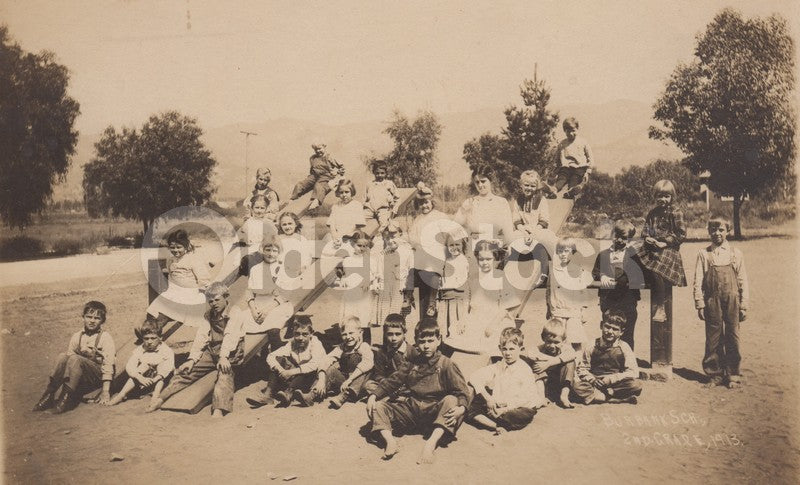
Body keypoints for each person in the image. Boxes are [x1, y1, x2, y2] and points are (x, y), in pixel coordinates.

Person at [366, 318, 471, 464]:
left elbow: (462, 391)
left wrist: (461, 409)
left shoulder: (446, 363)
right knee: (378, 406)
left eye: (430, 341)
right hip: (413, 409)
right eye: (422, 342)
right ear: (416, 341)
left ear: (439, 340)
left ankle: (430, 444)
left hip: (434, 411)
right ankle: (390, 441)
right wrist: (373, 395)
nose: (426, 346)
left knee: (451, 400)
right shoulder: (412, 361)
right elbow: (393, 381)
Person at [148, 282, 245, 417]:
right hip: (213, 349)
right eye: (210, 301)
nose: (214, 304)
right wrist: (192, 359)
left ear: (226, 296)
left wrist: (224, 357)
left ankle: (219, 408)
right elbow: (202, 336)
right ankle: (161, 398)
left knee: (224, 374)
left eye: (217, 300)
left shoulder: (235, 312)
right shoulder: (209, 315)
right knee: (186, 371)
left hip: (231, 351)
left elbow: (230, 335)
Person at [693, 216, 750, 388]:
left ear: (728, 231)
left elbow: (743, 279)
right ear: (708, 231)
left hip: (732, 299)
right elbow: (698, 280)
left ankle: (733, 374)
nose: (717, 233)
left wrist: (744, 304)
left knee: (732, 335)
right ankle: (715, 374)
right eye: (713, 230)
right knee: (713, 337)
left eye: (721, 230)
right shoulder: (704, 254)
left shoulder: (735, 253)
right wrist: (699, 303)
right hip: (712, 300)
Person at [32, 301, 116, 413]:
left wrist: (105, 391)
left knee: (76, 358)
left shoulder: (105, 338)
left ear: (102, 320)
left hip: (97, 378)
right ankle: (49, 395)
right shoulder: (77, 336)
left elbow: (109, 365)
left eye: (97, 318)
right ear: (83, 317)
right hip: (80, 377)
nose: (92, 321)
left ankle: (65, 401)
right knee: (63, 357)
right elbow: (67, 364)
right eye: (89, 317)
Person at [446, 240, 520, 354]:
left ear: (494, 258)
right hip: (476, 317)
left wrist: (493, 324)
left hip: (495, 317)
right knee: (458, 331)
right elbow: (467, 301)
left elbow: (507, 307)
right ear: (477, 259)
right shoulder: (473, 278)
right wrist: (463, 319)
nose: (485, 262)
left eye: (488, 259)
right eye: (481, 259)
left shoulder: (500, 277)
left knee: (494, 336)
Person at [467, 328, 544, 434]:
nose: (507, 353)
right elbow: (474, 377)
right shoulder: (499, 365)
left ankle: (495, 421)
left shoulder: (524, 370)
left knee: (516, 416)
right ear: (500, 348)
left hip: (519, 406)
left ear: (521, 349)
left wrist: (505, 409)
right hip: (498, 405)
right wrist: (488, 399)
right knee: (471, 407)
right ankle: (496, 426)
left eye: (512, 349)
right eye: (504, 349)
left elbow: (526, 399)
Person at [634, 179, 687, 323]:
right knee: (632, 255)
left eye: (666, 196)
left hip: (668, 249)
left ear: (672, 197)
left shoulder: (676, 213)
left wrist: (665, 242)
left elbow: (681, 234)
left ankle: (660, 307)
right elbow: (646, 230)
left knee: (657, 266)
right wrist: (647, 238)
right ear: (655, 196)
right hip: (653, 246)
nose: (662, 199)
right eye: (659, 196)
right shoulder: (653, 213)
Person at [246, 315, 327, 408]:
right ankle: (268, 395)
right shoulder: (292, 343)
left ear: (311, 333)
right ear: (293, 333)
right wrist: (281, 370)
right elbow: (271, 356)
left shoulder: (315, 343)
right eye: (297, 334)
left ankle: (289, 393)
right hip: (293, 377)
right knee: (279, 360)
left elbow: (314, 364)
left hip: (309, 380)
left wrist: (290, 372)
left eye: (305, 334)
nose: (300, 338)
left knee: (307, 368)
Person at [592, 220, 644, 349]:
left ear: (629, 239)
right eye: (617, 236)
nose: (619, 240)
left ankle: (627, 358)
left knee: (627, 333)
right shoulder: (603, 254)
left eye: (624, 238)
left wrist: (620, 281)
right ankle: (608, 356)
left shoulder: (633, 255)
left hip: (627, 300)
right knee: (609, 331)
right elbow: (595, 272)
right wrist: (602, 276)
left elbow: (636, 274)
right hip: (608, 299)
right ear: (612, 234)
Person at [572, 310, 642, 405]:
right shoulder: (591, 345)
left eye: (615, 329)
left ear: (621, 332)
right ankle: (615, 399)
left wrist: (611, 379)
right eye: (607, 327)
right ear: (601, 325)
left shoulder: (624, 347)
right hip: (595, 382)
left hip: (615, 383)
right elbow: (582, 368)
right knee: (576, 386)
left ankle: (602, 396)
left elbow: (633, 372)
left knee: (636, 385)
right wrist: (593, 380)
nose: (610, 332)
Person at [145, 229, 210, 331]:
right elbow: (171, 274)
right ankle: (148, 328)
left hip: (189, 293)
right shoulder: (171, 260)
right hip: (174, 291)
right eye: (172, 247)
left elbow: (204, 278)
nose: (175, 250)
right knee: (154, 309)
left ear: (186, 246)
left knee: (168, 310)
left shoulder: (193, 259)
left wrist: (203, 293)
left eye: (179, 247)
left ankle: (154, 330)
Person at [241, 235, 296, 352]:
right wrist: (253, 310)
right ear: (262, 250)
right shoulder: (255, 269)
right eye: (268, 250)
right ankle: (254, 354)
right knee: (239, 321)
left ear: (279, 252)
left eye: (274, 251)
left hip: (276, 305)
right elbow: (250, 292)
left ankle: (277, 353)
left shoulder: (283, 268)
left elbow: (285, 294)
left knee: (273, 327)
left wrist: (267, 311)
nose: (271, 254)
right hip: (258, 306)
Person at [407, 182, 450, 320]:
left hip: (436, 255)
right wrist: (418, 245)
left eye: (427, 202)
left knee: (432, 275)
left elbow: (447, 234)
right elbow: (412, 237)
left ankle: (432, 304)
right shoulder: (418, 220)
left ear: (432, 202)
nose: (424, 206)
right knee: (414, 277)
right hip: (421, 256)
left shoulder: (440, 216)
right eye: (421, 203)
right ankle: (410, 300)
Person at [107, 321, 174, 408]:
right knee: (142, 367)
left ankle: (155, 396)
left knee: (161, 367)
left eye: (153, 338)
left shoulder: (166, 350)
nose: (149, 342)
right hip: (145, 379)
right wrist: (140, 377)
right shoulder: (141, 349)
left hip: (161, 378)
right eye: (146, 338)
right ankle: (121, 395)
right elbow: (130, 366)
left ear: (160, 338)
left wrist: (156, 378)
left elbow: (168, 368)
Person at [317, 316, 374, 409]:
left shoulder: (364, 346)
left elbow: (368, 363)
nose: (348, 337)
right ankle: (314, 393)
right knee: (331, 369)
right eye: (344, 334)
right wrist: (321, 378)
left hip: (358, 386)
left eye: (351, 333)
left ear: (360, 332)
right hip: (344, 383)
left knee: (364, 372)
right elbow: (326, 359)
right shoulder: (342, 347)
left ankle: (344, 396)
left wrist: (350, 379)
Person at [547, 237, 593, 352]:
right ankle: (559, 360)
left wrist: (584, 309)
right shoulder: (553, 271)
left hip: (573, 312)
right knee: (557, 339)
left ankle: (578, 360)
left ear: (572, 252)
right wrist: (549, 307)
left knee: (575, 340)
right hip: (558, 311)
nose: (563, 254)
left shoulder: (577, 270)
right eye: (560, 251)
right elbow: (549, 290)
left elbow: (582, 291)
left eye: (566, 251)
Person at [453, 164, 514, 248]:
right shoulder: (469, 203)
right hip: (474, 248)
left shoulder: (501, 203)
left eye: (483, 181)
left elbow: (508, 232)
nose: (480, 185)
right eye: (477, 182)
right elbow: (455, 226)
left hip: (496, 248)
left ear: (491, 181)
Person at [334, 230, 381, 336]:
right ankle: (350, 339)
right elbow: (345, 274)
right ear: (352, 244)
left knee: (364, 319)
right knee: (350, 318)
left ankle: (366, 342)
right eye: (359, 245)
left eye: (365, 246)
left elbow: (375, 275)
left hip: (364, 294)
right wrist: (343, 279)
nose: (362, 248)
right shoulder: (348, 260)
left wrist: (368, 280)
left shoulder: (370, 261)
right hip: (351, 293)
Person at [528, 318, 577, 408]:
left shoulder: (566, 349)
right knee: (536, 364)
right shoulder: (540, 348)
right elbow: (530, 353)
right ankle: (541, 397)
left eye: (556, 342)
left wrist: (549, 363)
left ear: (564, 340)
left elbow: (573, 354)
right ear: (543, 338)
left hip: (561, 383)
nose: (552, 346)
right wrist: (550, 361)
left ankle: (564, 396)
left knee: (570, 362)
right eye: (549, 342)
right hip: (546, 384)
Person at [373, 224, 414, 326]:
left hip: (400, 288)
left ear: (400, 234)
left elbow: (411, 271)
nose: (391, 240)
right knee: (385, 317)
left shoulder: (407, 251)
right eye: (388, 237)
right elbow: (377, 269)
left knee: (399, 318)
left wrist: (408, 290)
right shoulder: (382, 252)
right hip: (385, 288)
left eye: (394, 236)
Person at [364, 313, 413, 395]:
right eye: (390, 334)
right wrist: (384, 382)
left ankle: (392, 396)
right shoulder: (382, 352)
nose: (394, 338)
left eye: (398, 334)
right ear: (385, 333)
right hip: (387, 385)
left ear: (404, 333)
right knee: (368, 385)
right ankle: (392, 395)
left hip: (405, 385)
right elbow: (378, 374)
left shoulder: (411, 351)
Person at [290, 142, 345, 211]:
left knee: (319, 186)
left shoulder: (329, 157)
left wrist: (338, 174)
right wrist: (310, 179)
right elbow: (312, 169)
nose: (318, 151)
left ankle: (316, 200)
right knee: (300, 184)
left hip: (326, 175)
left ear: (324, 147)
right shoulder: (313, 158)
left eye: (319, 148)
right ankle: (293, 199)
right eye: (316, 149)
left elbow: (342, 167)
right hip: (314, 175)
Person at [547, 117, 593, 199]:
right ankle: (553, 191)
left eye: (573, 131)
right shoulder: (562, 144)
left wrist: (588, 170)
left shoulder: (583, 142)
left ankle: (571, 191)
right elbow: (557, 159)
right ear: (564, 131)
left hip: (579, 167)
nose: (571, 133)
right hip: (566, 167)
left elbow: (590, 157)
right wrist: (554, 171)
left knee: (574, 179)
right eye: (568, 131)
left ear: (577, 129)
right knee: (562, 178)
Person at [436, 232, 469, 338]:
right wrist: (438, 299)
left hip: (457, 300)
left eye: (457, 244)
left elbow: (465, 282)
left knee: (456, 329)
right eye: (451, 245)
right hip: (445, 299)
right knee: (443, 328)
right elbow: (441, 282)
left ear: (462, 245)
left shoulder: (464, 261)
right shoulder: (446, 261)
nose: (454, 247)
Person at [326, 179, 366, 253]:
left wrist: (343, 237)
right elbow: (332, 224)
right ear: (338, 193)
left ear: (352, 192)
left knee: (349, 251)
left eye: (347, 192)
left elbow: (357, 226)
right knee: (328, 250)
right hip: (337, 235)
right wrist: (335, 237)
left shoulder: (357, 205)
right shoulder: (335, 206)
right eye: (341, 192)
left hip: (352, 235)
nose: (344, 195)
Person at [510, 169, 550, 236]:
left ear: (536, 187)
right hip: (523, 230)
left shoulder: (541, 200)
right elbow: (516, 219)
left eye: (533, 186)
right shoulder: (518, 200)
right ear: (521, 185)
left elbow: (544, 220)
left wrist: (534, 231)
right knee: (512, 237)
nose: (529, 188)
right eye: (526, 185)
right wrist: (522, 229)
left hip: (538, 230)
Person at [363, 159, 399, 231]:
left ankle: (380, 235)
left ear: (386, 173)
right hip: (370, 209)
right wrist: (361, 207)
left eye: (382, 173)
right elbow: (364, 198)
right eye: (377, 173)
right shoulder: (369, 184)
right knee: (358, 218)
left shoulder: (389, 184)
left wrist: (394, 210)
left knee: (385, 223)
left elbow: (397, 198)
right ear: (373, 172)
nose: (379, 175)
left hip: (383, 209)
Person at [277, 211, 314, 279]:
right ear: (281, 226)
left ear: (296, 224)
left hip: (297, 269)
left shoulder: (300, 238)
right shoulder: (279, 239)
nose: (287, 227)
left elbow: (306, 255)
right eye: (284, 224)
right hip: (281, 268)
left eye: (290, 223)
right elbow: (275, 254)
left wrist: (303, 266)